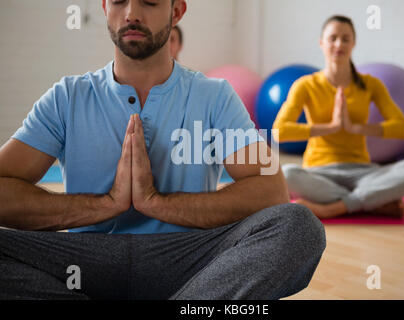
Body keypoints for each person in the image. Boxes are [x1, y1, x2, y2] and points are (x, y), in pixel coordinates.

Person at [0, 0, 326, 300]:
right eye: (118, 1)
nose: (131, 13)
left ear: (177, 11)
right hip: (86, 261)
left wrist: (157, 204)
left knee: (297, 226)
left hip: (189, 263)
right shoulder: (67, 97)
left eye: (149, 1)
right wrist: (105, 205)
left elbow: (271, 190)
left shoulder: (214, 96)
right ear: (104, 7)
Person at [272, 15, 404, 219]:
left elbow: (402, 128)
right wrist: (332, 126)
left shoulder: (371, 84)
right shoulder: (306, 85)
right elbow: (279, 132)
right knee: (287, 174)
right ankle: (371, 203)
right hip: (319, 172)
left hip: (363, 173)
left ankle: (335, 208)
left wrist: (356, 128)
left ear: (353, 44)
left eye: (345, 38)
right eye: (333, 38)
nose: (339, 43)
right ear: (322, 43)